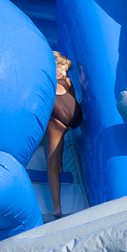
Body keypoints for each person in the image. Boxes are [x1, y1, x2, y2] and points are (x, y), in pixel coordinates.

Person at [41, 52, 84, 219]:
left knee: (50, 165)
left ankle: (56, 207)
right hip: (74, 115)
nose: (65, 72)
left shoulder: (48, 76)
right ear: (58, 65)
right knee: (56, 137)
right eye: (64, 68)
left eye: (66, 70)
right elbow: (72, 98)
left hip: (58, 116)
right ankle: (60, 165)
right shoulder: (67, 80)